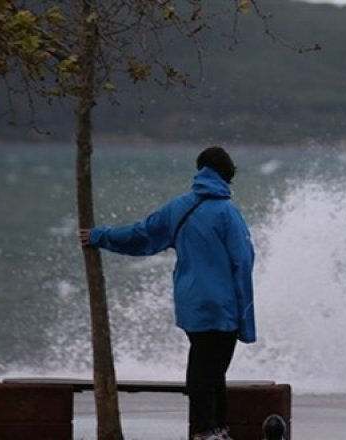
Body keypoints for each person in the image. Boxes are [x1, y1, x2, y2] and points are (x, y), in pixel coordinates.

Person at [79, 146, 255, 440]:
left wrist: (100, 236)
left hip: (190, 303)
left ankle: (215, 428)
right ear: (227, 176)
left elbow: (141, 234)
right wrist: (246, 316)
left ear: (200, 170)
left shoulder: (179, 208)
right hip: (221, 306)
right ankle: (207, 431)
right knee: (208, 371)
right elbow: (243, 262)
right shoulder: (228, 213)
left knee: (207, 367)